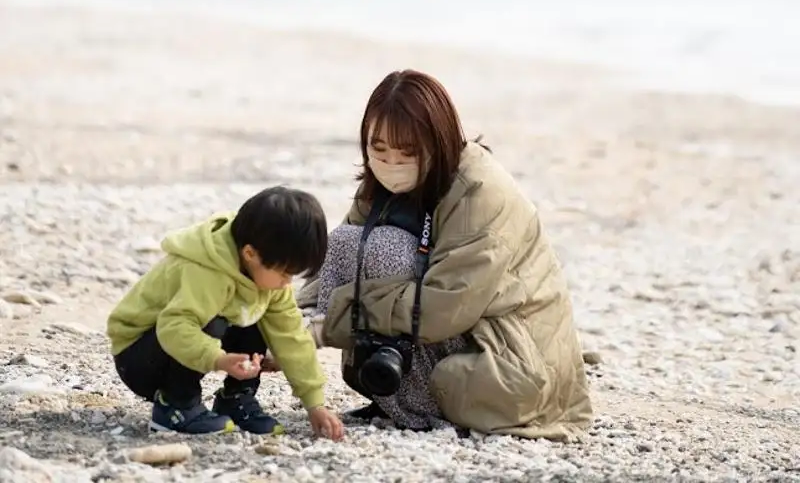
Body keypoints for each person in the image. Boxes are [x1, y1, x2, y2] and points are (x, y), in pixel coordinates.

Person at [297, 70, 592, 440]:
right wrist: (285, 320)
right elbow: (333, 262)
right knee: (346, 242)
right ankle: (396, 395)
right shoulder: (382, 184)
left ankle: (412, 402)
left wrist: (325, 329)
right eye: (380, 149)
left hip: (510, 363)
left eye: (408, 152)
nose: (392, 163)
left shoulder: (480, 192)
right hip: (453, 333)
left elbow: (444, 306)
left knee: (388, 249)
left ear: (438, 140)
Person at [107, 185, 344, 440]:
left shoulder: (265, 270)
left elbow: (291, 336)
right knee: (212, 321)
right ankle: (176, 406)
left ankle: (235, 399)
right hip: (139, 358)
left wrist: (314, 403)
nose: (288, 283)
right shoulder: (207, 271)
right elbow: (174, 326)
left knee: (260, 315)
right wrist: (218, 359)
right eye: (285, 273)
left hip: (176, 345)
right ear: (250, 254)